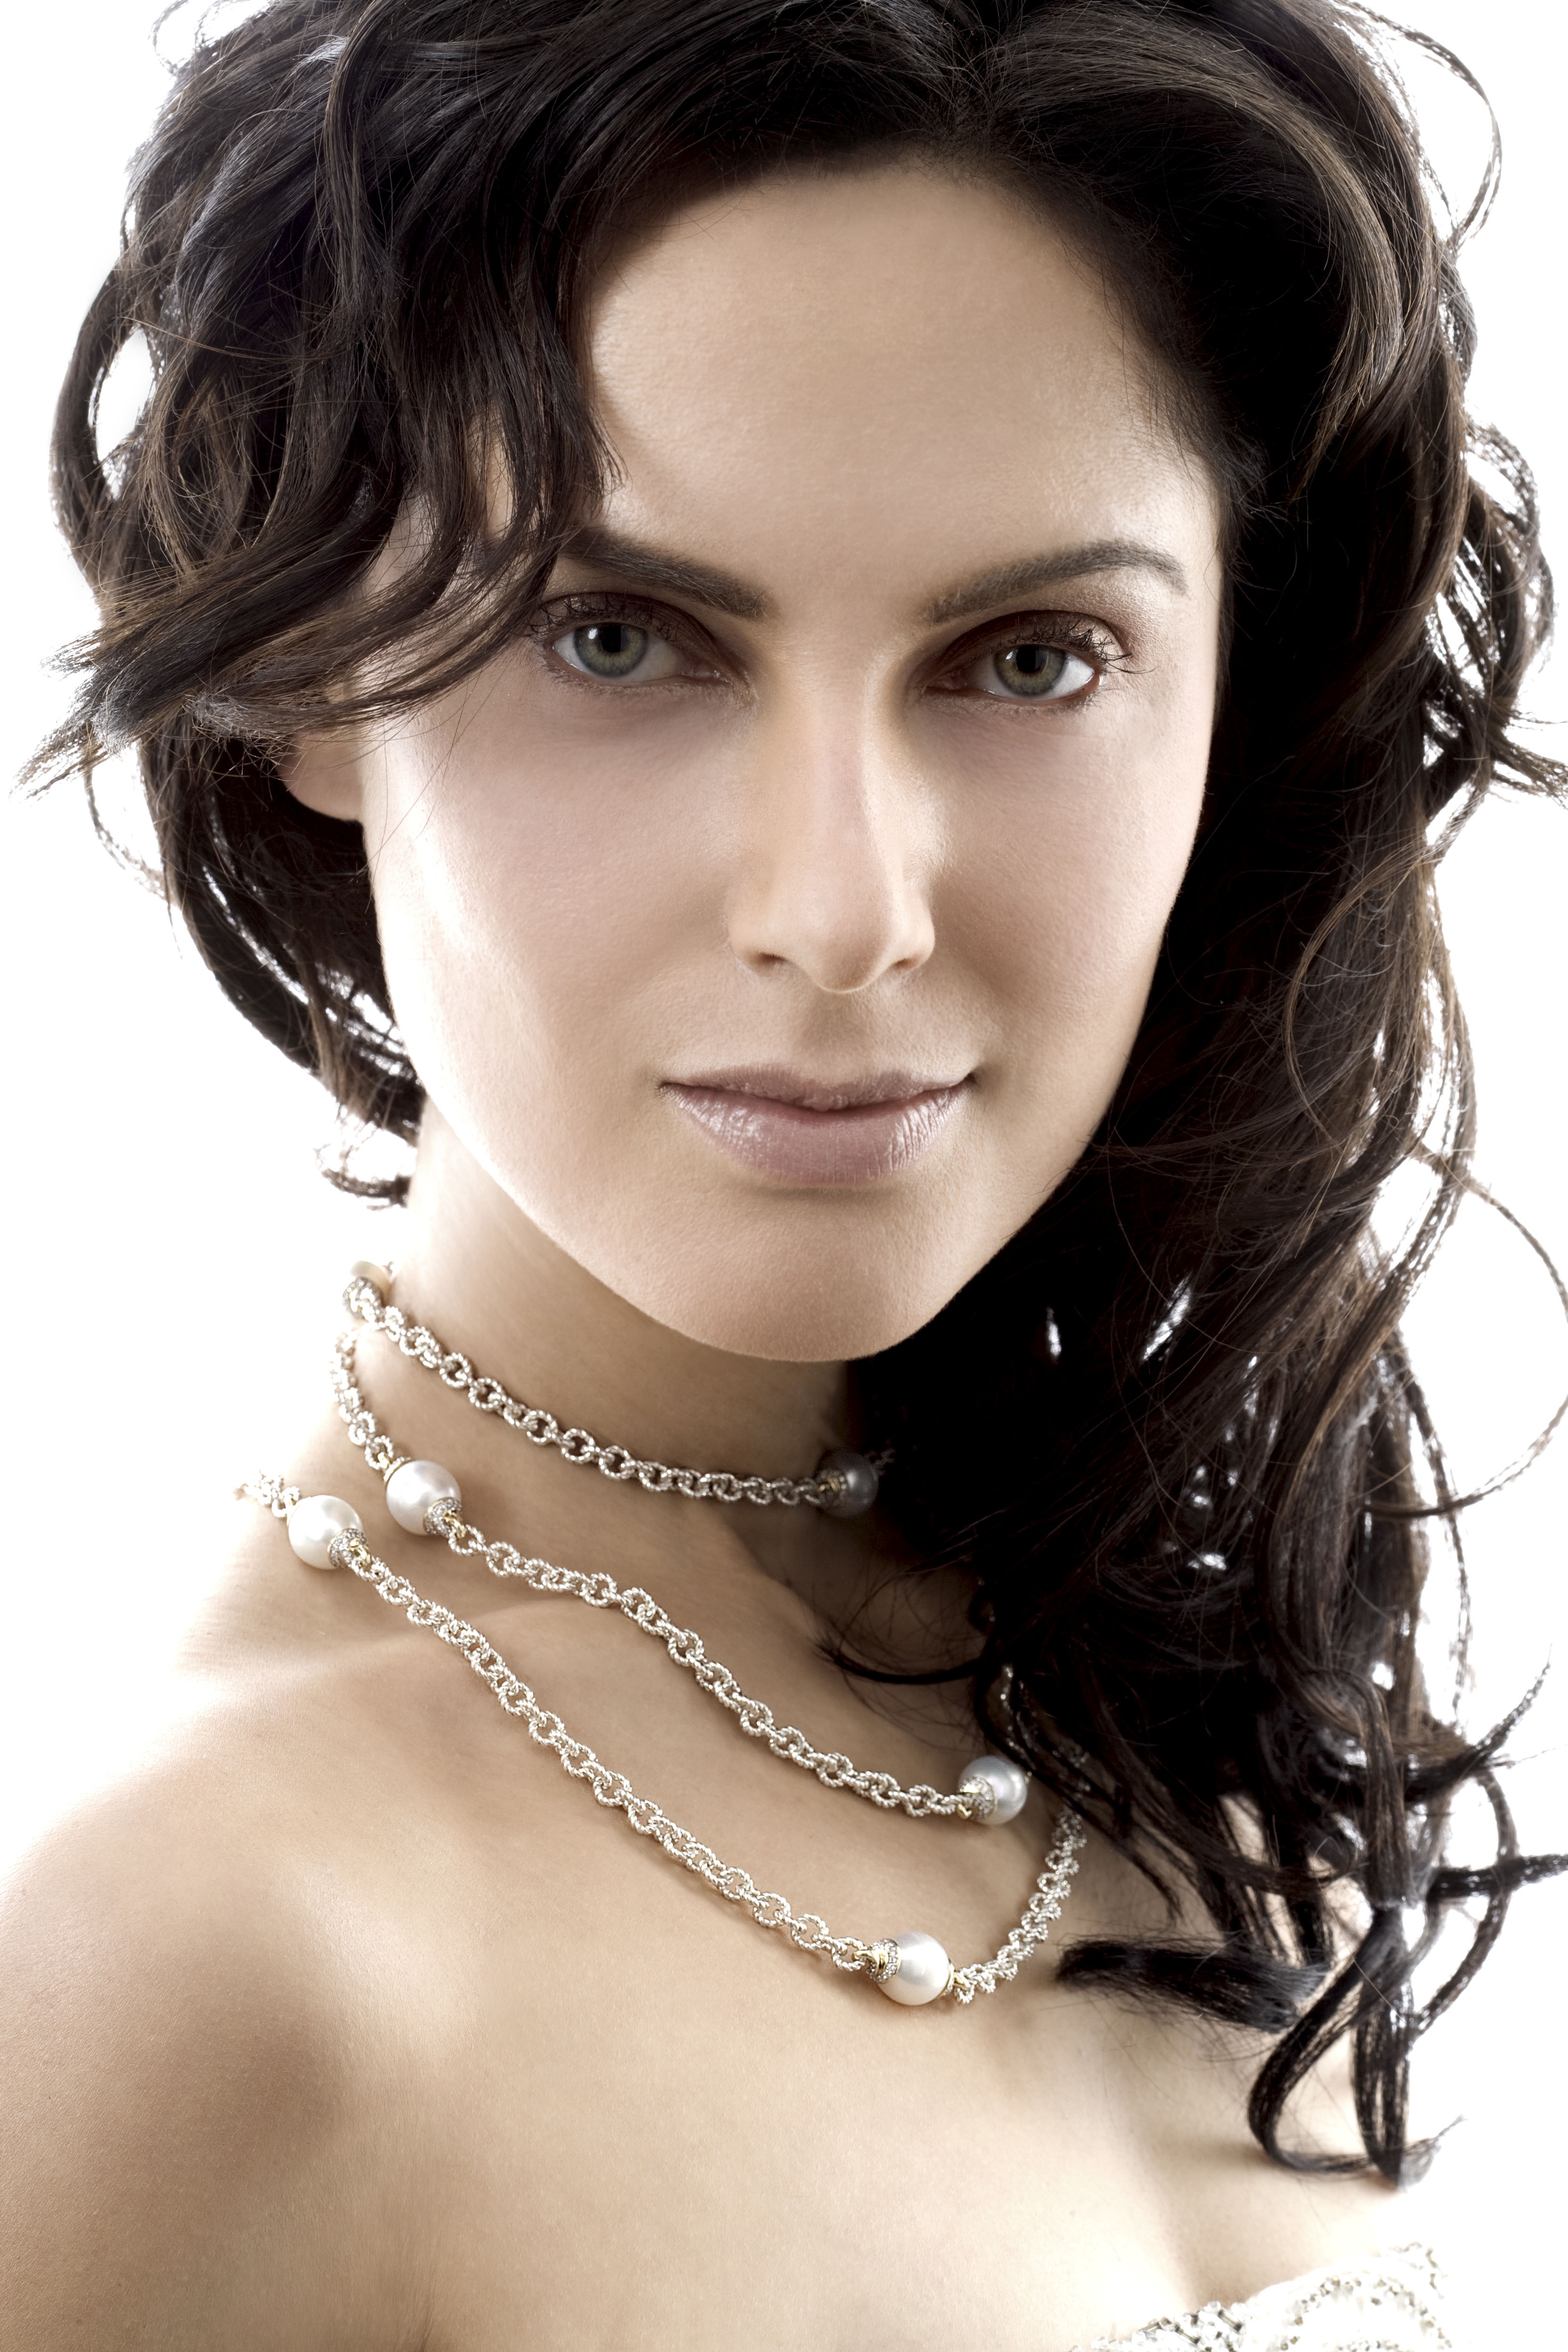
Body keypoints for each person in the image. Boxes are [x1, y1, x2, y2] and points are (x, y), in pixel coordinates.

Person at [3, 0, 1562, 2342]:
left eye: (1028, 661)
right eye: (617, 639)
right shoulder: (180, 1954)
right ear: (311, 671)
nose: (844, 910)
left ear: (1231, 690)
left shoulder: (1157, 1703)